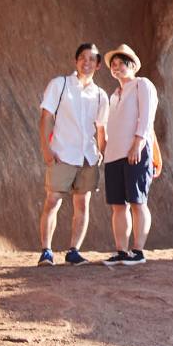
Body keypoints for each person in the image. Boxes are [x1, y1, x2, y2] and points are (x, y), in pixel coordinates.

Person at [37, 43, 108, 267]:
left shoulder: (100, 95)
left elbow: (101, 128)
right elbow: (46, 117)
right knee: (53, 200)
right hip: (62, 152)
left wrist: (102, 153)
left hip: (87, 156)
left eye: (92, 59)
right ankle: (46, 251)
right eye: (82, 58)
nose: (86, 62)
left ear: (98, 65)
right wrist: (46, 149)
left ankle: (74, 251)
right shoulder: (60, 85)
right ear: (76, 61)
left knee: (82, 204)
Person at [101, 44, 158, 266]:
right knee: (118, 205)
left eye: (121, 64)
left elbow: (146, 116)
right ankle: (121, 251)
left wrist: (137, 144)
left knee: (137, 201)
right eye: (113, 65)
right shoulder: (113, 95)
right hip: (113, 155)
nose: (116, 68)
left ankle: (138, 250)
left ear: (131, 65)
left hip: (136, 152)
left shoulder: (142, 85)